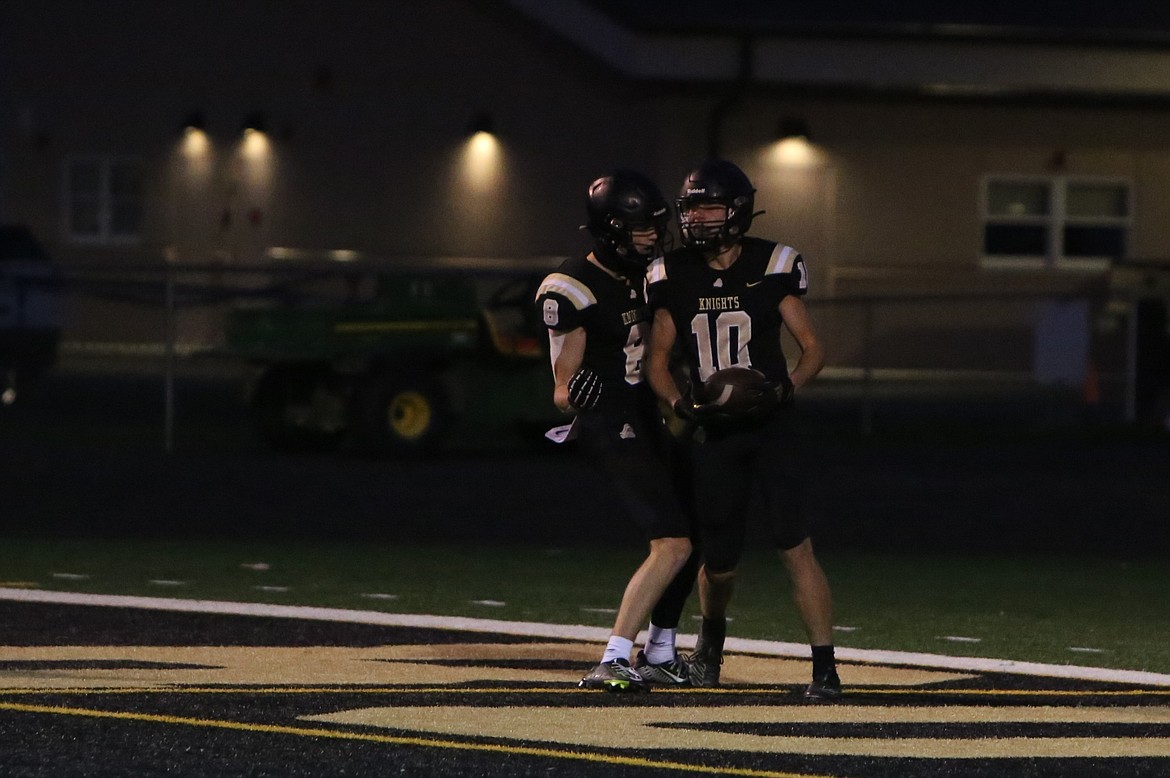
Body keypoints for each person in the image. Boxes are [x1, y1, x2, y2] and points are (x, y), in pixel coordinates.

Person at [644, 158, 842, 700]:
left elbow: (813, 348)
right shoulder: (671, 272)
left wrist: (784, 388)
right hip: (716, 434)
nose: (697, 219)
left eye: (707, 207)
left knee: (795, 546)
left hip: (772, 428)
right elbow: (656, 363)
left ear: (736, 211)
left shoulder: (772, 262)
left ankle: (825, 669)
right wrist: (681, 404)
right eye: (690, 209)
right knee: (721, 562)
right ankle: (711, 644)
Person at [535, 170, 699, 692]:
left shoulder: (639, 273)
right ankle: (613, 656)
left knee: (692, 535)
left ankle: (661, 650)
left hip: (643, 414)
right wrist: (574, 396)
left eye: (656, 226)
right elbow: (562, 387)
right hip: (609, 420)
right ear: (611, 229)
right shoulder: (572, 286)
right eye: (643, 229)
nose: (654, 237)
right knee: (671, 542)